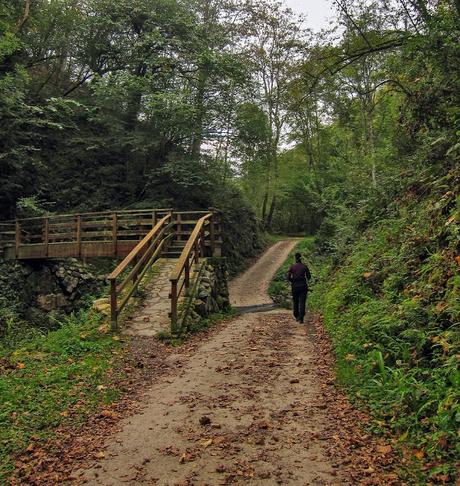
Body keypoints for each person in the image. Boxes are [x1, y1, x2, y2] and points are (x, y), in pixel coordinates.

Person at [286, 252, 311, 323]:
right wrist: (304, 279)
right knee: (302, 302)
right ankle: (301, 317)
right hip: (303, 286)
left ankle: (296, 315)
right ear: (301, 258)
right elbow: (309, 277)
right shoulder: (304, 266)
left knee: (295, 301)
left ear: (295, 258)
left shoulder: (292, 267)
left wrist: (292, 281)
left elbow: (288, 277)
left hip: (295, 286)